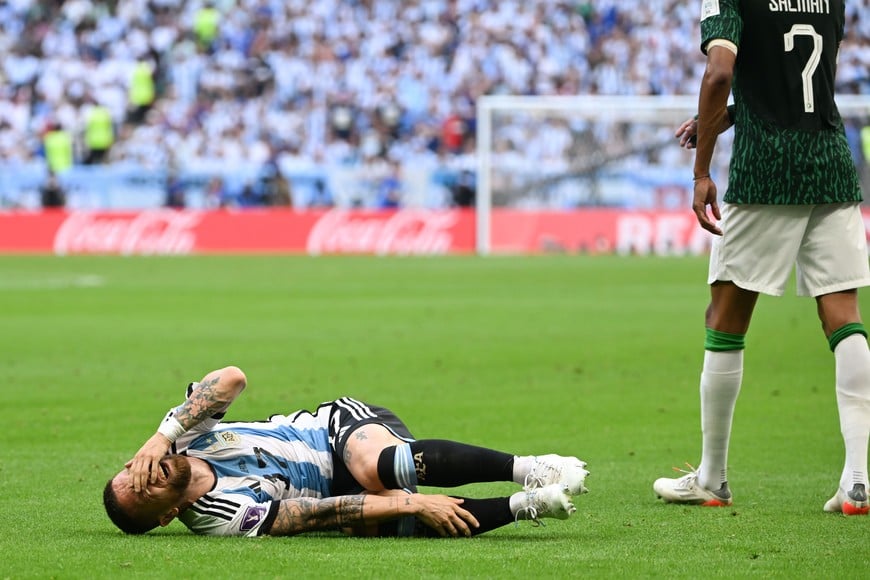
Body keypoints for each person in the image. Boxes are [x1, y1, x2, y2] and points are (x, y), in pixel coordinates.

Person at [653, 1, 870, 515]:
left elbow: (720, 70)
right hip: (830, 162)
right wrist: (725, 116)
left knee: (724, 319)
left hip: (766, 168)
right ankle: (858, 479)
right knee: (844, 318)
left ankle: (712, 477)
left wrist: (701, 171)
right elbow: (795, 78)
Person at [104, 366, 590, 537]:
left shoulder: (180, 434)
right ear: (167, 515)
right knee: (388, 520)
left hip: (336, 430)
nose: (146, 474)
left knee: (376, 468)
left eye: (134, 471)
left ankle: (530, 467)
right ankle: (527, 505)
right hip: (337, 489)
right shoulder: (217, 517)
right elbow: (315, 514)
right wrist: (411, 503)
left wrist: (159, 436)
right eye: (142, 492)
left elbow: (233, 378)